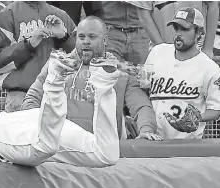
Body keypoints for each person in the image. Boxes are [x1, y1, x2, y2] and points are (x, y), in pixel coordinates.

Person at [0, 48, 121, 168]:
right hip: (28, 119)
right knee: (106, 155)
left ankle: (55, 78)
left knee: (45, 146)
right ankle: (104, 83)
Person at [22, 16, 162, 141]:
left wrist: (146, 130)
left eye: (92, 37)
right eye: (81, 37)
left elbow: (141, 106)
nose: (86, 42)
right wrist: (31, 128)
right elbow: (33, 98)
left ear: (105, 40)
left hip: (103, 153)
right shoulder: (57, 65)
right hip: (59, 147)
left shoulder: (119, 72)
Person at [0, 1, 76, 112]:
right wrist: (28, 45)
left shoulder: (61, 16)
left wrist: (64, 38)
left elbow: (82, 59)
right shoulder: (8, 14)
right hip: (20, 96)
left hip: (58, 96)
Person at [145, 7, 220, 139]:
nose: (178, 33)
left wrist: (197, 118)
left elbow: (215, 109)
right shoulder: (157, 52)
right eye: (176, 28)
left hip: (187, 146)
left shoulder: (210, 68)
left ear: (199, 33)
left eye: (185, 29)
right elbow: (143, 88)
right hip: (153, 140)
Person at [133, 1, 219, 58]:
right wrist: (162, 48)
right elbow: (144, 14)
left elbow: (213, 5)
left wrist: (208, 48)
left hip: (197, 49)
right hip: (161, 48)